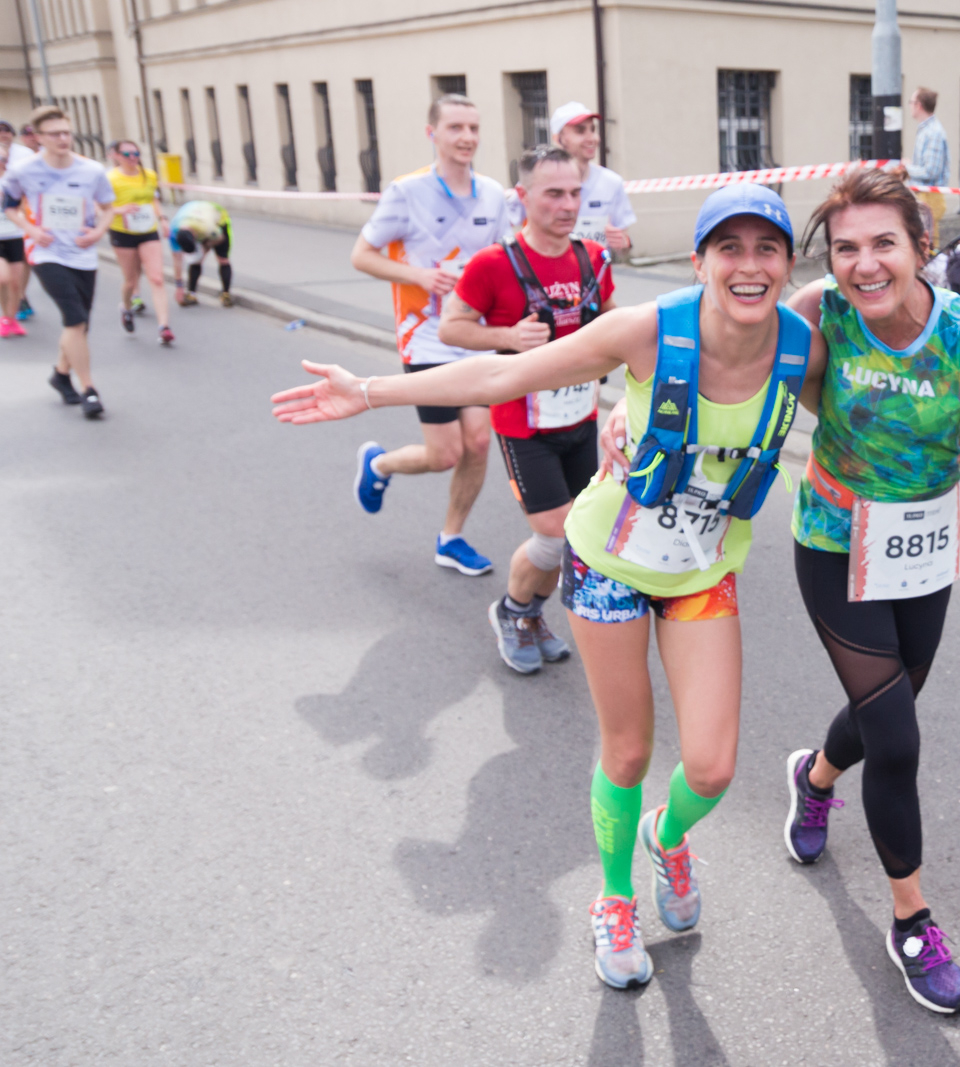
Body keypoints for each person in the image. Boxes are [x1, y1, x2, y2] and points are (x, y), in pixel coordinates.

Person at [273, 183, 826, 993]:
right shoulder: (649, 330)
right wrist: (369, 391)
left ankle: (667, 839)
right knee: (629, 749)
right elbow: (507, 378)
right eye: (729, 249)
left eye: (766, 249)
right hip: (607, 558)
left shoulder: (800, 347)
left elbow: (870, 396)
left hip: (703, 570)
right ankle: (614, 897)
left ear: (785, 263)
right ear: (701, 260)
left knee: (709, 768)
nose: (748, 267)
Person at [601, 170, 960, 1012]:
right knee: (897, 737)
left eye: (884, 244)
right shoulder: (821, 317)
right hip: (834, 544)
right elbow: (714, 332)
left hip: (925, 553)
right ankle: (913, 920)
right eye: (848, 247)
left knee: (880, 714)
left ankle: (814, 777)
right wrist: (624, 405)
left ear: (922, 248)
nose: (865, 263)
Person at [437, 144, 613, 674]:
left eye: (575, 192)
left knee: (579, 534)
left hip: (581, 420)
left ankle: (528, 612)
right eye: (553, 193)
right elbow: (451, 327)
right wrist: (507, 336)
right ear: (522, 197)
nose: (567, 204)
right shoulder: (495, 264)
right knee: (554, 531)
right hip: (522, 424)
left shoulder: (594, 257)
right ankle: (512, 611)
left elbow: (611, 319)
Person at [349, 93, 509, 577]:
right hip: (425, 337)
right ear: (432, 133)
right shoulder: (407, 192)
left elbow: (504, 256)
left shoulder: (494, 194)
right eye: (455, 128)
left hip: (475, 335)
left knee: (479, 442)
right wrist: (418, 277)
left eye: (473, 129)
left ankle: (451, 537)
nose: (466, 138)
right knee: (445, 454)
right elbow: (362, 255)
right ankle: (379, 465)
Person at [3, 104, 115, 418]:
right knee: (74, 317)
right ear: (39, 137)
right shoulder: (23, 171)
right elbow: (10, 206)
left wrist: (97, 234)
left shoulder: (91, 170)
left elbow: (107, 208)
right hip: (45, 252)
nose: (63, 138)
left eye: (66, 132)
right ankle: (89, 390)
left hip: (83, 252)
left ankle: (60, 374)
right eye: (55, 134)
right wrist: (31, 229)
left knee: (81, 324)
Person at [505, 101, 636, 255]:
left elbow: (624, 246)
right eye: (580, 131)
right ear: (559, 138)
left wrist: (624, 243)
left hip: (592, 276)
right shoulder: (538, 179)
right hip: (545, 273)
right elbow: (503, 226)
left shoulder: (612, 182)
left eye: (593, 130)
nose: (591, 138)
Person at [107, 140, 174, 346]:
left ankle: (164, 327)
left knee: (156, 278)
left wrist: (162, 219)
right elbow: (99, 206)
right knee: (130, 280)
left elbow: (153, 198)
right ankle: (126, 308)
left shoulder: (149, 174)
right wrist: (120, 210)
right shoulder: (110, 178)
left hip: (147, 229)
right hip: (123, 231)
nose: (133, 157)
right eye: (127, 154)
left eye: (136, 153)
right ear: (116, 156)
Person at [903, 88, 951, 244]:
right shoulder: (927, 130)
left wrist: (907, 168)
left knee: (927, 247)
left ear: (918, 105)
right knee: (922, 244)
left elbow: (931, 171)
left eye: (911, 102)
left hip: (930, 197)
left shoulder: (933, 132)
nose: (909, 106)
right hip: (925, 196)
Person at [0, 119, 36, 322]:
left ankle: (20, 294)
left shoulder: (25, 154)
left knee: (24, 260)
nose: (3, 134)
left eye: (7, 131)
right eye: (0, 131)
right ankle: (14, 301)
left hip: (21, 217)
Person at [168, 199, 233, 308]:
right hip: (194, 214)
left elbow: (220, 239)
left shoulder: (208, 228)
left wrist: (206, 246)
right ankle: (192, 294)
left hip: (218, 218)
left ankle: (226, 294)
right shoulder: (174, 231)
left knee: (222, 259)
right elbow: (176, 259)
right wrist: (179, 286)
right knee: (196, 260)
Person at [0, 148, 29, 336]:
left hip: (15, 235)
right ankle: (5, 317)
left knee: (16, 284)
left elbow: (26, 204)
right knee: (3, 278)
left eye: (3, 158)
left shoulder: (12, 182)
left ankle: (10, 320)